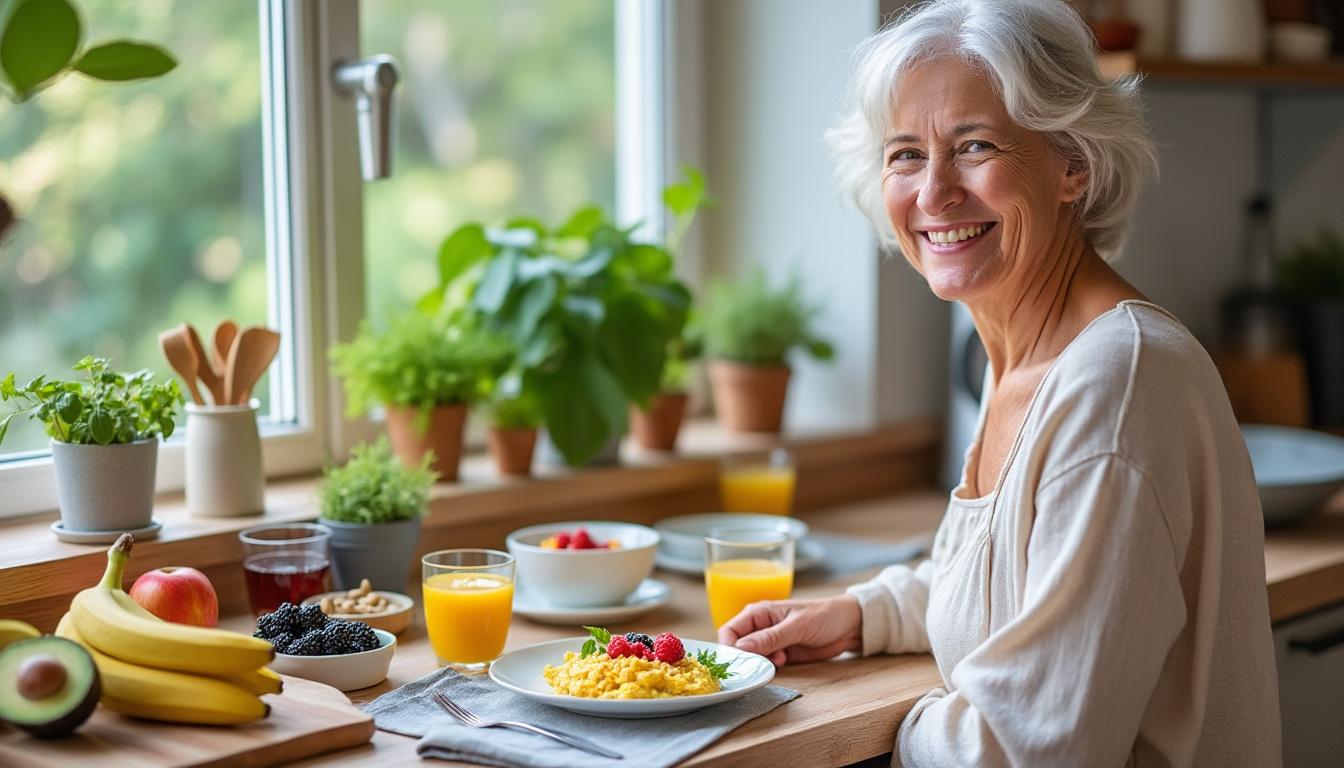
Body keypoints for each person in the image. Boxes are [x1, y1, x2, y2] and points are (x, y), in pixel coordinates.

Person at [718, 1, 1282, 765]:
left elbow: (1033, 749)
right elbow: (1012, 584)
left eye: (975, 145)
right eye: (905, 154)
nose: (934, 192)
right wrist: (862, 615)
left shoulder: (1115, 384)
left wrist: (885, 730)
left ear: (1072, 164)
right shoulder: (1028, 352)